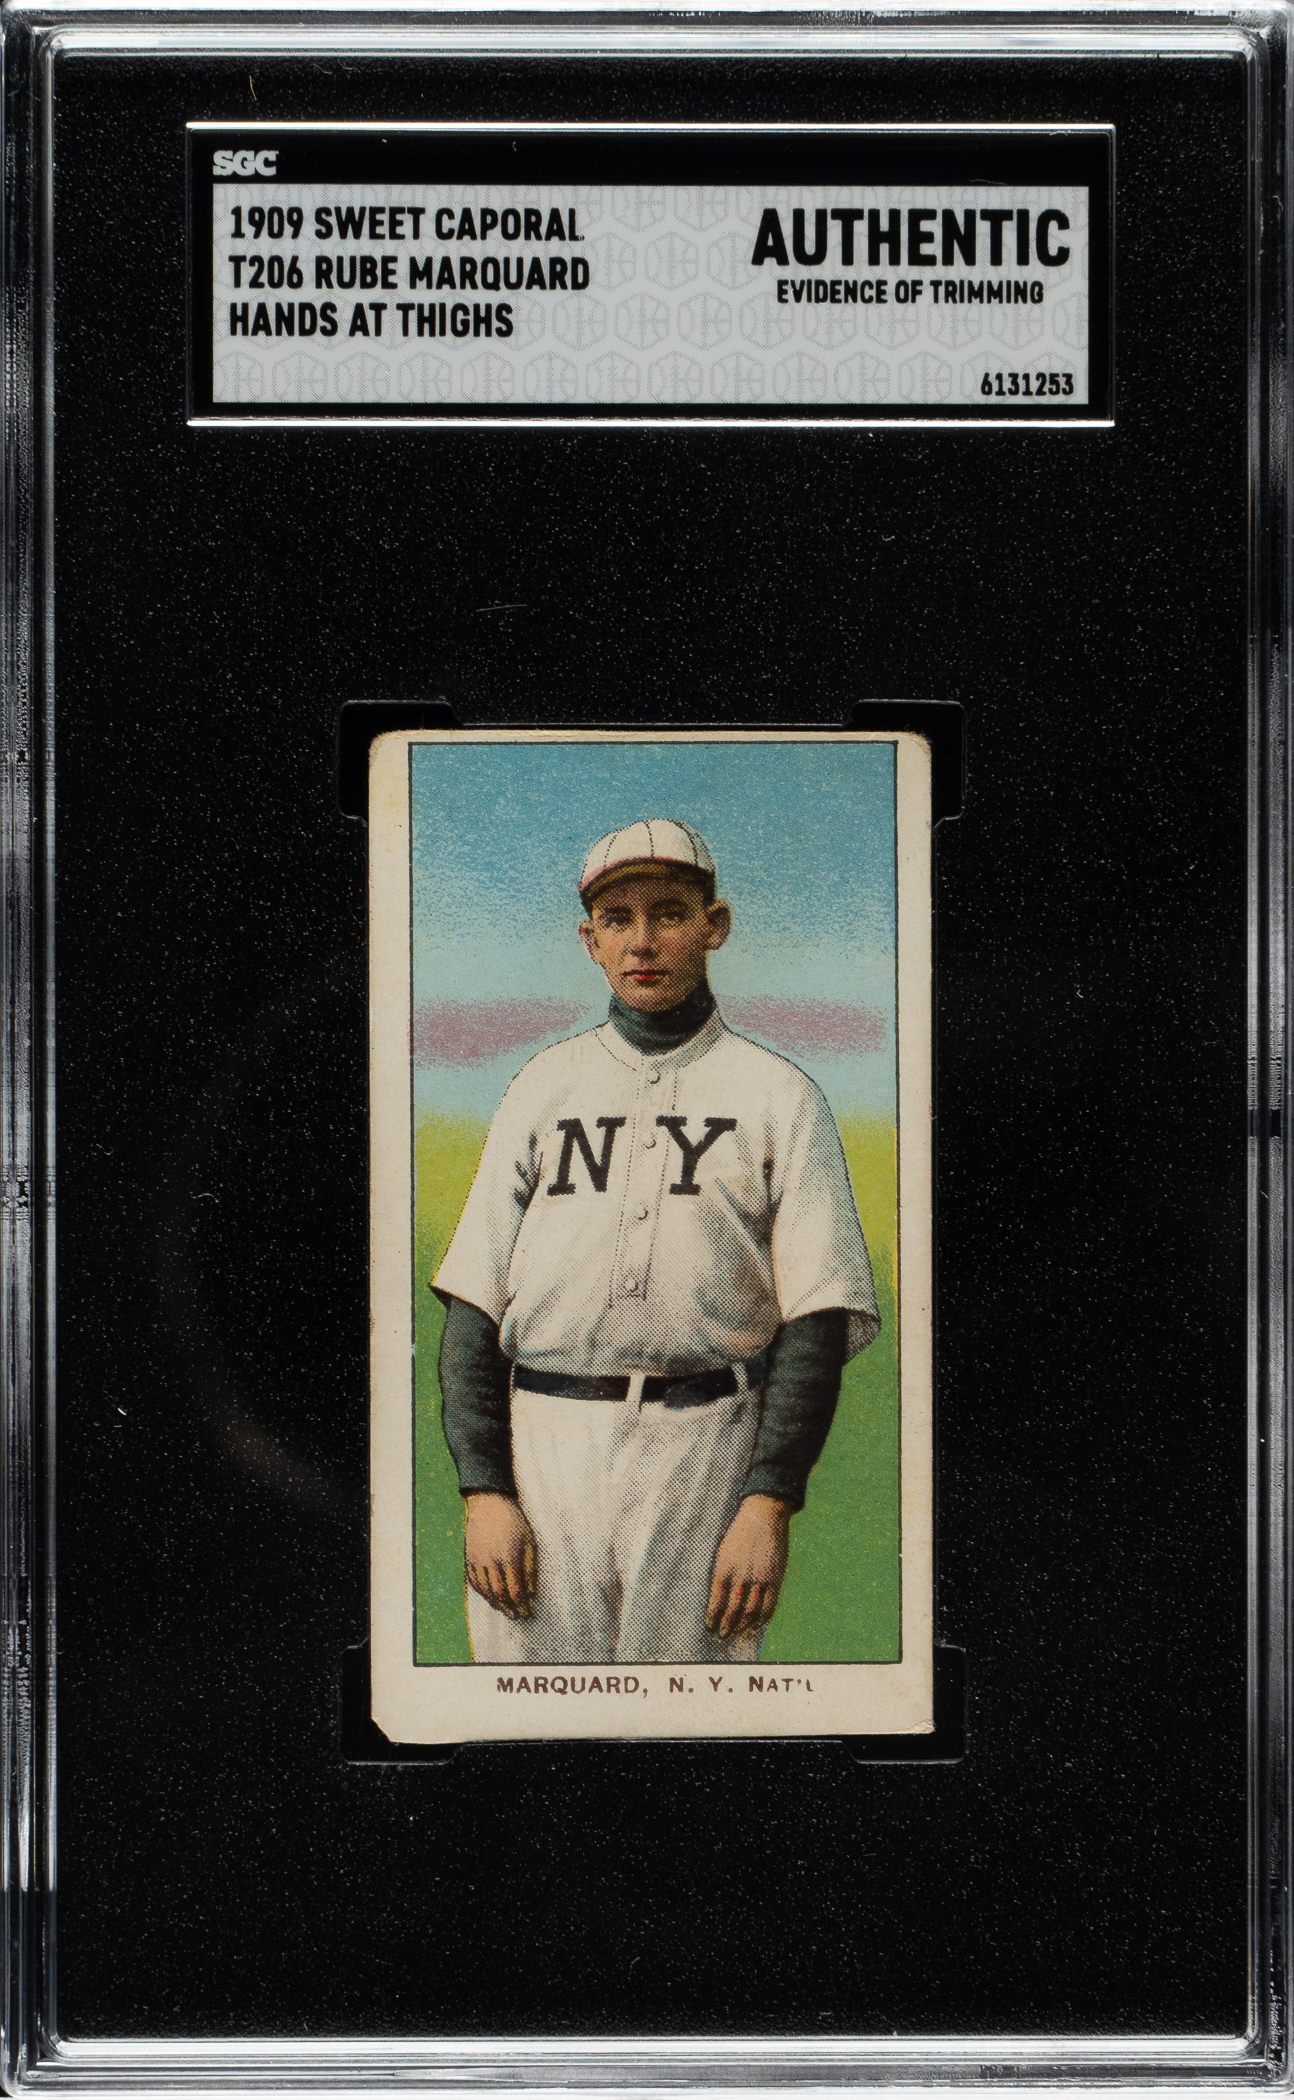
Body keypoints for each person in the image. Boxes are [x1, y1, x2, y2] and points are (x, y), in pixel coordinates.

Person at [432, 818, 879, 1665]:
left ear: (715, 925)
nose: (642, 941)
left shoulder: (780, 1094)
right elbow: (472, 1307)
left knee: (693, 1711)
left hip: (708, 1445)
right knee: (526, 1711)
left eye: (669, 913)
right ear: (590, 940)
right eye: (618, 918)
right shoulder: (541, 1086)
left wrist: (768, 1503)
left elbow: (817, 1318)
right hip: (542, 1444)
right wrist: (484, 1489)